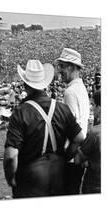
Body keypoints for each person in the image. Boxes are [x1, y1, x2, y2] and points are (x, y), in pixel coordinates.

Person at [3, 60, 84, 198]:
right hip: (58, 176)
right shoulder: (62, 108)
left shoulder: (21, 112)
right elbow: (79, 138)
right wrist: (66, 156)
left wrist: (10, 178)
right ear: (44, 84)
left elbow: (11, 156)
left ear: (25, 84)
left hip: (30, 180)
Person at [56, 48, 90, 194]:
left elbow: (73, 128)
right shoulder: (81, 88)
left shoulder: (70, 92)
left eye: (62, 66)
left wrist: (66, 156)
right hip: (79, 154)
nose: (60, 71)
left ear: (71, 66)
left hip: (72, 155)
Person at [75, 90, 101, 194]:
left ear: (100, 107)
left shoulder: (95, 133)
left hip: (95, 186)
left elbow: (77, 160)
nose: (92, 108)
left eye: (93, 104)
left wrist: (78, 145)